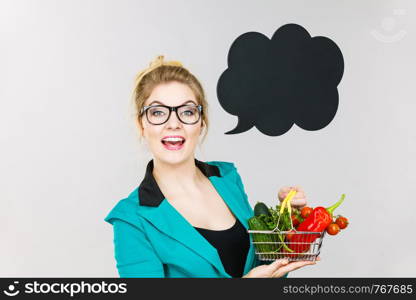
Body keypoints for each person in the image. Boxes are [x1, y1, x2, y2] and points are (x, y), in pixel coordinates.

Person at [104, 55, 319, 278]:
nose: (174, 123)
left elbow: (264, 268)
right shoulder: (131, 219)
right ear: (142, 124)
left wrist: (287, 220)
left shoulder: (226, 178)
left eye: (187, 112)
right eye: (158, 112)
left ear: (201, 122)